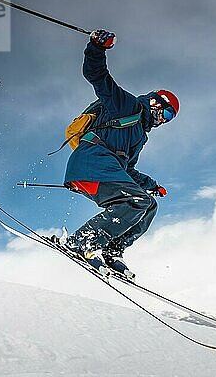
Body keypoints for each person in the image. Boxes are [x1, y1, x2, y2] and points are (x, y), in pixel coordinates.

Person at [51, 29, 179, 280]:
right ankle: (83, 242)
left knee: (148, 204)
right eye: (165, 114)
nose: (164, 121)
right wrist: (97, 47)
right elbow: (96, 75)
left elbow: (127, 170)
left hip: (106, 168)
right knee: (136, 200)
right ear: (155, 103)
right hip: (91, 162)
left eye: (169, 119)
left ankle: (112, 251)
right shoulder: (126, 105)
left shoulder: (139, 136)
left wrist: (152, 185)